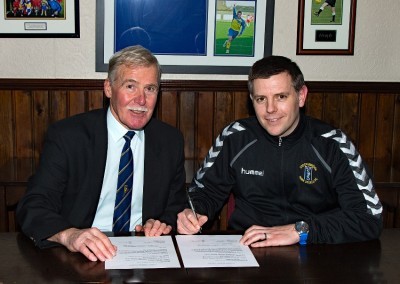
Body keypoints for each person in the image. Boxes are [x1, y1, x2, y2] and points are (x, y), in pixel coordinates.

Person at [177, 55, 383, 247]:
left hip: (316, 249)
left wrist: (300, 230)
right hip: (248, 247)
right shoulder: (235, 137)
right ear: (252, 100)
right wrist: (193, 212)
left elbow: (369, 217)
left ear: (301, 96)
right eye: (261, 99)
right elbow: (204, 192)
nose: (270, 109)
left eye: (281, 97)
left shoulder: (332, 144)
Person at [16, 45, 186, 262]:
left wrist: (162, 222)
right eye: (130, 86)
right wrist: (69, 235)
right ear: (108, 88)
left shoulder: (170, 141)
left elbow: (176, 204)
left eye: (150, 89)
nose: (141, 100)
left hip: (145, 254)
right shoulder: (69, 137)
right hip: (80, 256)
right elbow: (34, 205)